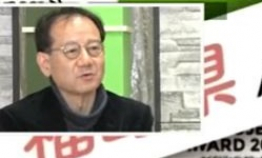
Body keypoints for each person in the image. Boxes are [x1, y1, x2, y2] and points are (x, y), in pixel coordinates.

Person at [0, 7, 154, 132]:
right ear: (45, 64)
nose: (86, 61)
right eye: (72, 50)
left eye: (94, 48)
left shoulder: (135, 116)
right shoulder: (16, 121)